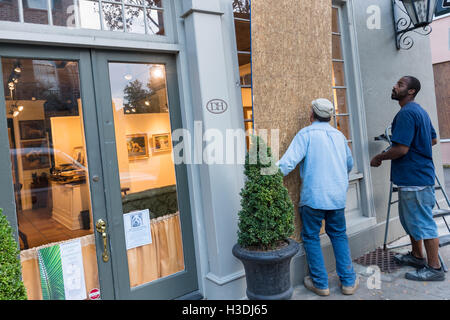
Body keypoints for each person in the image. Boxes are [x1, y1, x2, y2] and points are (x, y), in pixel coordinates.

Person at [277, 98, 358, 296]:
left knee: (311, 237)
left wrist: (262, 175)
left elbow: (287, 164)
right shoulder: (339, 136)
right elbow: (349, 164)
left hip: (313, 197)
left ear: (311, 114)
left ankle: (321, 284)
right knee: (339, 235)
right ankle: (348, 282)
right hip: (337, 197)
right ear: (330, 117)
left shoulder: (306, 134)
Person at [370, 76, 445, 281]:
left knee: (422, 222)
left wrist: (380, 157)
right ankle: (417, 256)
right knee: (411, 220)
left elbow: (401, 149)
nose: (394, 86)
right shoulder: (419, 111)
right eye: (396, 83)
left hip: (415, 179)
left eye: (400, 85)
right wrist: (418, 147)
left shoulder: (406, 114)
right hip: (417, 177)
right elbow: (433, 139)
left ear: (410, 91)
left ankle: (435, 268)